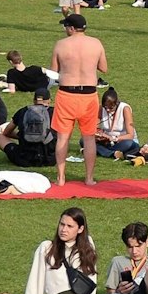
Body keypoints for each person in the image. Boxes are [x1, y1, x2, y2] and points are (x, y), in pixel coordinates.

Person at [20, 208, 99, 294]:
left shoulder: (87, 247)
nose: (63, 229)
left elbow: (91, 279)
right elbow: (35, 283)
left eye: (69, 226)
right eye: (62, 224)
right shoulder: (46, 248)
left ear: (80, 229)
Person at [49, 14, 109, 188]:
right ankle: (89, 178)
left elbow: (54, 71)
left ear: (71, 28)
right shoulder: (96, 43)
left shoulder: (61, 45)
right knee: (89, 138)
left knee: (63, 137)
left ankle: (61, 178)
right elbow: (104, 68)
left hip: (67, 94)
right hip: (89, 95)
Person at [95, 89, 140, 159]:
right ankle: (112, 153)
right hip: (107, 142)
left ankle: (101, 151)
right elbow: (95, 127)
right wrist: (99, 135)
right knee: (84, 140)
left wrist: (113, 138)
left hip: (123, 141)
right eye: (105, 107)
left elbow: (130, 135)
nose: (107, 110)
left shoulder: (125, 109)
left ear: (116, 103)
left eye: (111, 108)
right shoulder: (101, 109)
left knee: (128, 143)